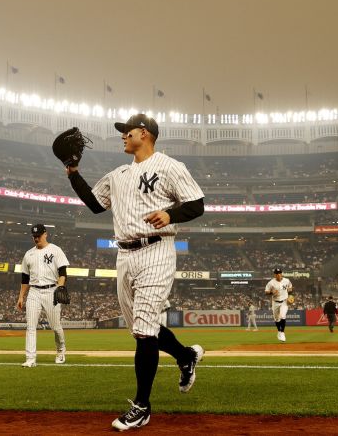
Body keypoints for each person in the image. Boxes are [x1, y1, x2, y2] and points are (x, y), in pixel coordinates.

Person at [65, 113, 206, 431]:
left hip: (157, 251)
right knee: (147, 330)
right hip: (124, 256)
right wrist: (73, 173)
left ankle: (142, 406)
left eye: (126, 132)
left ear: (144, 133)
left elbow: (196, 204)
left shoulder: (170, 166)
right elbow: (95, 204)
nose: (122, 136)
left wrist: (170, 214)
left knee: (144, 331)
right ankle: (185, 356)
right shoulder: (118, 175)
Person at [16, 224, 69, 368]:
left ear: (45, 234)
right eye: (34, 236)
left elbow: (63, 272)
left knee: (55, 326)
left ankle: (60, 350)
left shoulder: (55, 250)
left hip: (52, 290)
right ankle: (30, 358)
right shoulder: (29, 254)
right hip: (34, 292)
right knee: (31, 327)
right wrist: (21, 296)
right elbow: (25, 279)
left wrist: (61, 287)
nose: (36, 238)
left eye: (38, 235)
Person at [265, 268, 293, 342]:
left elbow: (290, 287)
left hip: (284, 301)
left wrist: (290, 295)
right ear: (275, 275)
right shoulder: (271, 282)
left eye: (279, 273)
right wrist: (272, 293)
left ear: (281, 273)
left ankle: (282, 332)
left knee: (283, 316)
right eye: (277, 273)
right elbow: (266, 292)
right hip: (275, 302)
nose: (278, 274)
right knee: (277, 319)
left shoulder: (286, 280)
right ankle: (279, 331)